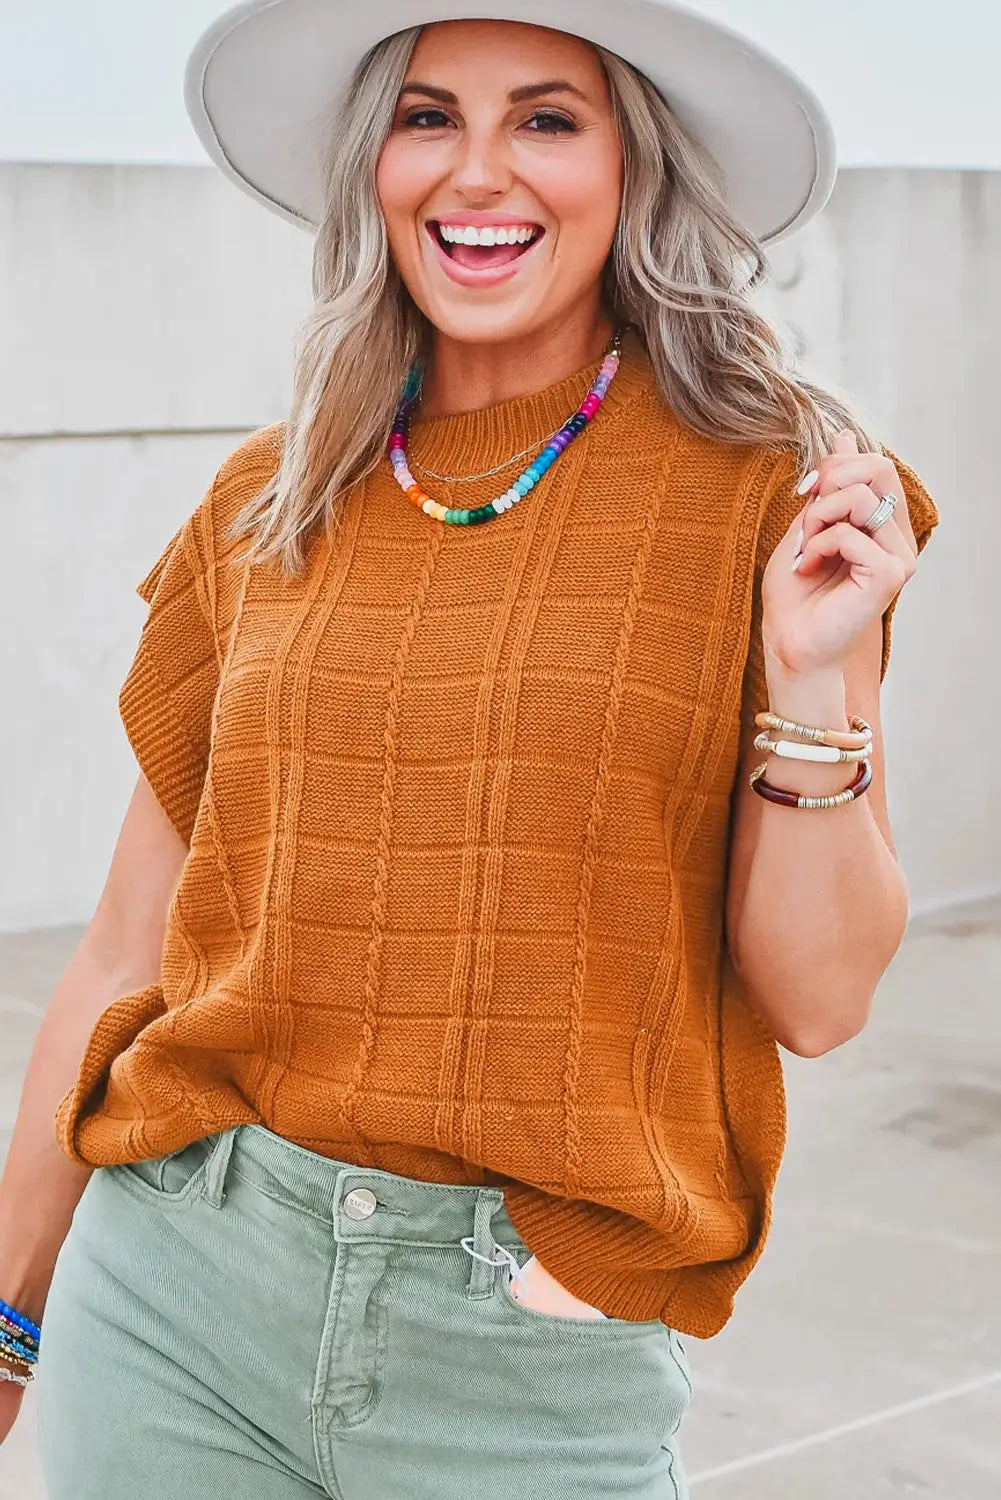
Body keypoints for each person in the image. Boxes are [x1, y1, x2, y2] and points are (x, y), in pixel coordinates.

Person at [0, 3, 939, 1496]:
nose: (476, 171)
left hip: (522, 1359)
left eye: (546, 119)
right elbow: (127, 950)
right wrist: (7, 1321)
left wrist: (807, 678)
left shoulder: (775, 495)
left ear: (634, 168)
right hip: (177, 1294)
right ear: (372, 166)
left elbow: (818, 1001)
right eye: (426, 116)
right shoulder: (268, 501)